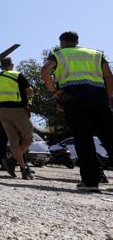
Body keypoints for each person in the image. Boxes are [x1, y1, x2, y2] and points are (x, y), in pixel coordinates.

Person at [41, 31, 113, 192]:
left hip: (73, 98)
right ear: (77, 41)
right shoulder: (95, 54)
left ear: (62, 42)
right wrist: (109, 97)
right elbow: (108, 75)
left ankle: (90, 182)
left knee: (83, 139)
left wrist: (54, 92)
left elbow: (45, 71)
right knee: (109, 136)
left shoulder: (59, 54)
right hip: (98, 97)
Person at [0, 57, 34, 179]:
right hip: (18, 110)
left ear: (0, 67)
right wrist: (28, 100)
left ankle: (23, 168)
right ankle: (12, 160)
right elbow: (30, 91)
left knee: (13, 140)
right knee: (28, 138)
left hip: (2, 112)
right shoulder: (17, 75)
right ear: (12, 65)